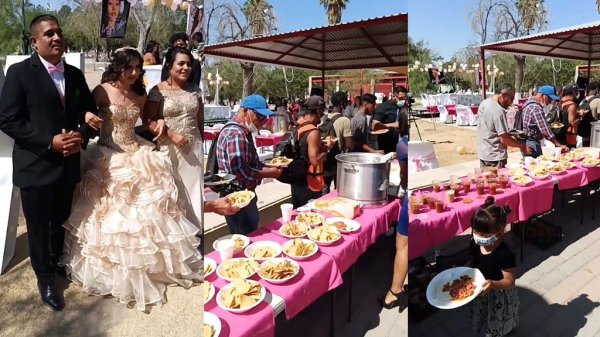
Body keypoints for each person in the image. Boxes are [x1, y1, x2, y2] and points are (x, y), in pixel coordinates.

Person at [61, 47, 202, 311]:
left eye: (138, 67)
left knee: (151, 209)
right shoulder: (102, 90)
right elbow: (84, 113)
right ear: (118, 67)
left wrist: (159, 125)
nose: (135, 72)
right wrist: (87, 117)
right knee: (112, 216)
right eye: (130, 67)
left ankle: (152, 266)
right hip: (107, 153)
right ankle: (114, 270)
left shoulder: (141, 93)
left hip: (136, 150)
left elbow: (150, 119)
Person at [0, 14, 99, 311]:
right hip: (35, 166)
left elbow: (87, 112)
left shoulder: (74, 74)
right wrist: (49, 141)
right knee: (39, 228)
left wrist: (82, 133)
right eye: (49, 34)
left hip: (68, 165)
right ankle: (44, 279)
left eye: (59, 32)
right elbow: (7, 119)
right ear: (35, 41)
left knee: (60, 222)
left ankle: (56, 265)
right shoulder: (19, 73)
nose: (57, 38)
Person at [144, 47, 203, 230]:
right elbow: (147, 120)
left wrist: (202, 146)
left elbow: (199, 119)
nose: (186, 68)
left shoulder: (195, 91)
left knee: (195, 194)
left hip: (194, 149)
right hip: (169, 150)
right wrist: (170, 134)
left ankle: (196, 236)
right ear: (169, 66)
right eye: (181, 63)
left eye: (189, 64)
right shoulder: (157, 91)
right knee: (173, 195)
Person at [215, 95, 282, 235]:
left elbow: (249, 163)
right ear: (245, 111)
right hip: (238, 198)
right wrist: (269, 173)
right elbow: (240, 172)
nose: (263, 122)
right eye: (260, 117)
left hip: (242, 196)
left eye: (265, 118)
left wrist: (266, 166)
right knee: (246, 236)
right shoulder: (236, 134)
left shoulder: (241, 131)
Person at [469, 197, 519, 337]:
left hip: (497, 294)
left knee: (498, 320)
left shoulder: (504, 254)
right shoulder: (475, 243)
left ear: (500, 232)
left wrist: (493, 284)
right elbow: (473, 260)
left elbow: (510, 281)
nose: (478, 237)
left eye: (484, 235)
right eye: (475, 231)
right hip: (480, 291)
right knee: (481, 317)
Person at [381, 108, 409, 312]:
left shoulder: (403, 145)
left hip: (411, 196)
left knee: (403, 243)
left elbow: (405, 177)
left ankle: (394, 292)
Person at [291, 96, 334, 207]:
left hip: (296, 180)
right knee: (310, 215)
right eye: (322, 111)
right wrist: (327, 148)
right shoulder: (313, 131)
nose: (323, 114)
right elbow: (314, 160)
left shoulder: (296, 125)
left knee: (298, 214)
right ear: (318, 111)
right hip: (310, 182)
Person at [477, 83, 532, 168]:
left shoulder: (484, 103)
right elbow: (504, 139)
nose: (511, 103)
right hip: (495, 157)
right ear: (504, 95)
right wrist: (522, 146)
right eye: (511, 99)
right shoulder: (498, 110)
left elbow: (491, 129)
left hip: (484, 154)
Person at [520, 85, 569, 158]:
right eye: (549, 99)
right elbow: (545, 131)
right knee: (536, 166)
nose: (550, 102)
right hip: (532, 143)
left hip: (527, 141)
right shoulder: (536, 108)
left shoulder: (528, 103)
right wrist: (559, 144)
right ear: (543, 96)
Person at [321, 91, 353, 194]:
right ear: (342, 103)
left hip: (325, 159)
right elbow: (349, 145)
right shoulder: (345, 120)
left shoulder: (324, 118)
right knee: (338, 191)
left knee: (324, 189)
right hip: (337, 161)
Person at [373, 86, 407, 154]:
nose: (403, 100)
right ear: (394, 96)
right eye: (401, 98)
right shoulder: (384, 107)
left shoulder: (404, 107)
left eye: (405, 98)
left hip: (402, 142)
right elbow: (374, 126)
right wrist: (393, 125)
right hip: (387, 143)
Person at [558, 83, 581, 149]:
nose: (577, 93)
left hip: (559, 133)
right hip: (569, 136)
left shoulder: (561, 102)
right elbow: (572, 122)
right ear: (572, 92)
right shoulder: (572, 105)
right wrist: (580, 118)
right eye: (576, 91)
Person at [578, 81, 600, 147]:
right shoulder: (598, 101)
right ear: (597, 89)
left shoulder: (583, 100)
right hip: (594, 133)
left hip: (584, 131)